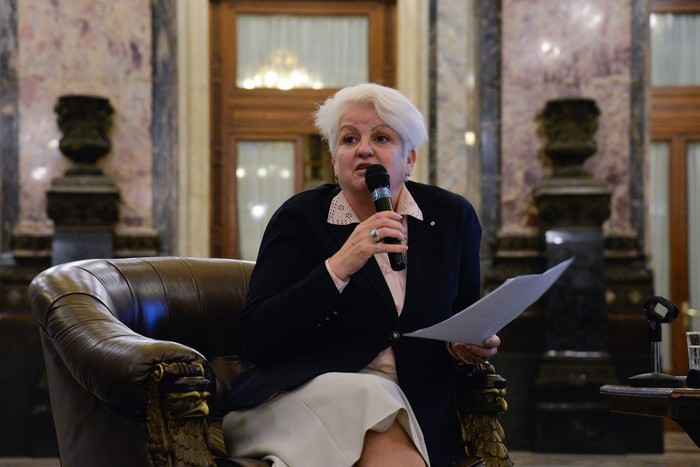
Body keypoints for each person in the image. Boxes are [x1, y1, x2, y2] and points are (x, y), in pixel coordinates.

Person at [222, 83, 500, 467]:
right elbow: (257, 338)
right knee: (372, 397)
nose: (364, 149)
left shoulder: (452, 217)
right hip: (299, 394)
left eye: (382, 137)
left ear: (409, 159)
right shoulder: (300, 218)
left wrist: (465, 348)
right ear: (336, 160)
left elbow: (462, 319)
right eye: (349, 138)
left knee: (381, 407)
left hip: (418, 404)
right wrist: (339, 266)